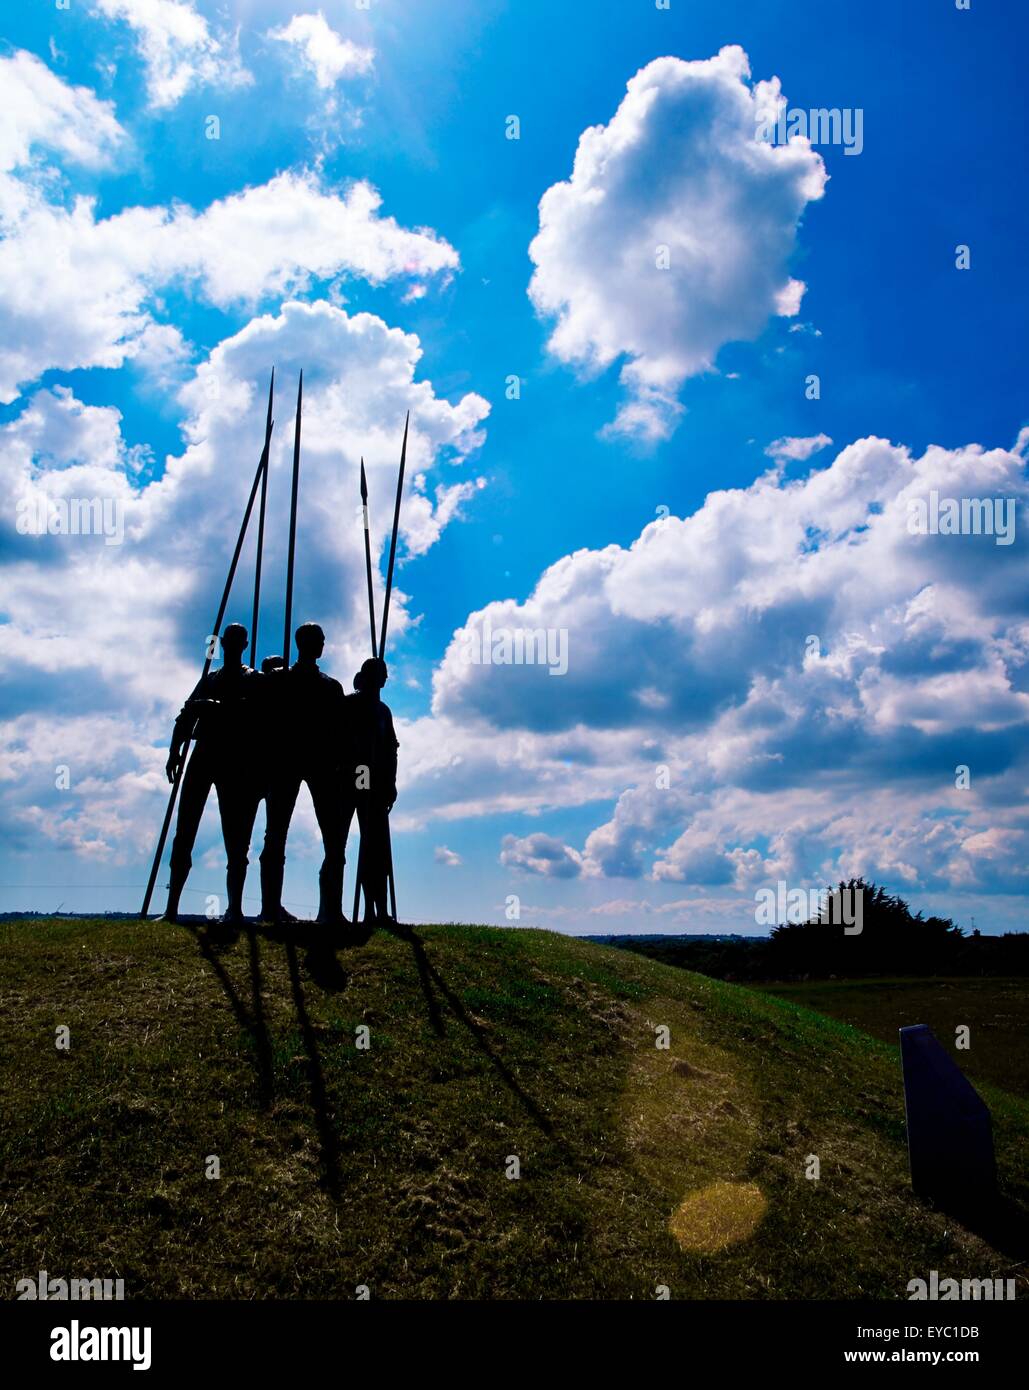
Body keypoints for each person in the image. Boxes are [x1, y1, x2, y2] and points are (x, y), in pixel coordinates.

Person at [162, 623, 263, 925]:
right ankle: (171, 908)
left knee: (236, 836)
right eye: (227, 641)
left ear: (244, 644)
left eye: (236, 641)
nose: (231, 645)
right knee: (184, 831)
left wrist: (215, 708)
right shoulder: (210, 679)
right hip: (203, 754)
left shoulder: (254, 679)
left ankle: (234, 908)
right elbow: (186, 714)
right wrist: (174, 751)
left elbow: (257, 716)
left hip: (235, 759)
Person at [259, 623, 349, 926]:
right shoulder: (280, 681)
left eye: (322, 640)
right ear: (304, 643)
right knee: (276, 836)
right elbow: (264, 721)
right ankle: (271, 908)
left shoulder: (330, 686)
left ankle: (330, 910)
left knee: (333, 838)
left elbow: (341, 732)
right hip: (286, 761)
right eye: (318, 640)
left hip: (321, 764)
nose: (322, 645)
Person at [346, 657, 399, 925]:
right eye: (382, 673)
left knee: (378, 847)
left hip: (378, 783)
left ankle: (381, 909)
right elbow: (347, 746)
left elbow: (391, 748)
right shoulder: (352, 704)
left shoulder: (383, 710)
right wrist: (363, 784)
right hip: (359, 779)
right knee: (367, 844)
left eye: (386, 674)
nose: (385, 678)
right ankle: (368, 909)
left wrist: (391, 783)